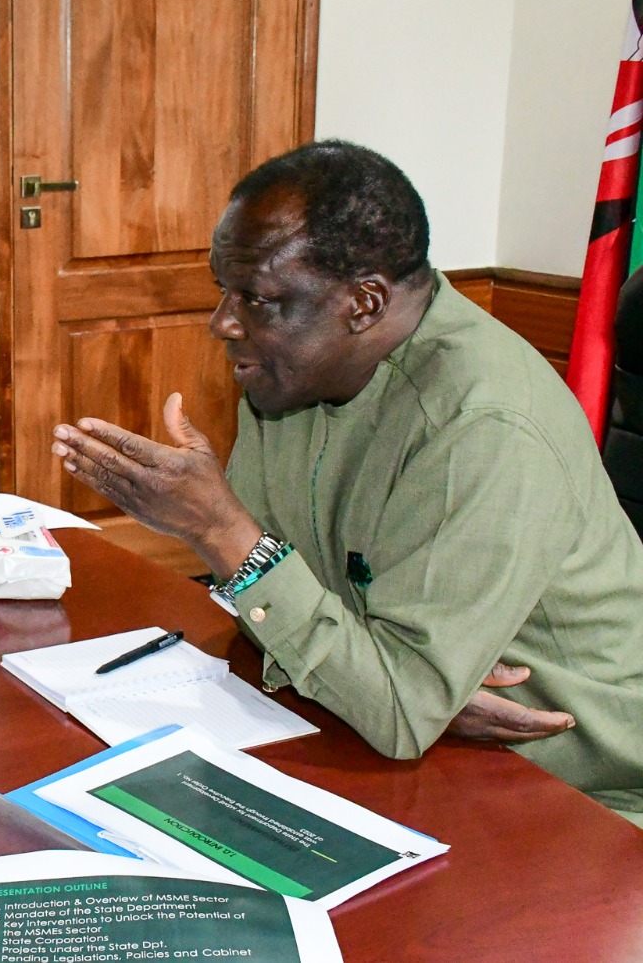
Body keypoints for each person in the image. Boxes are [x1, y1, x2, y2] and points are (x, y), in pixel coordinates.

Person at [51, 140, 643, 826]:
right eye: (223, 290)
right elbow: (301, 626)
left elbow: (392, 704)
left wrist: (220, 530)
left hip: (581, 793)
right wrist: (390, 685)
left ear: (364, 304)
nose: (223, 323)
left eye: (260, 299)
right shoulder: (291, 372)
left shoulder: (484, 425)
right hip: (394, 749)